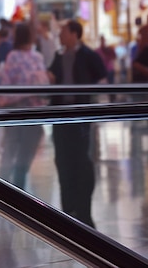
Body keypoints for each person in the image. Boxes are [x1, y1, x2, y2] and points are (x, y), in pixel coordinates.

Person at [48, 19, 106, 228]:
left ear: (74, 34)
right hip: (60, 115)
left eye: (63, 31)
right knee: (62, 160)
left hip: (80, 116)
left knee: (81, 160)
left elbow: (103, 77)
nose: (61, 35)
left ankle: (83, 208)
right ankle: (68, 208)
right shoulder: (59, 56)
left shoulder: (88, 55)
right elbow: (52, 77)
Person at [0, 23, 49, 191]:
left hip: (15, 111)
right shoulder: (36, 57)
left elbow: (6, 84)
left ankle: (1, 194)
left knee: (11, 153)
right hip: (32, 112)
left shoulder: (14, 56)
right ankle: (17, 194)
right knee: (23, 156)